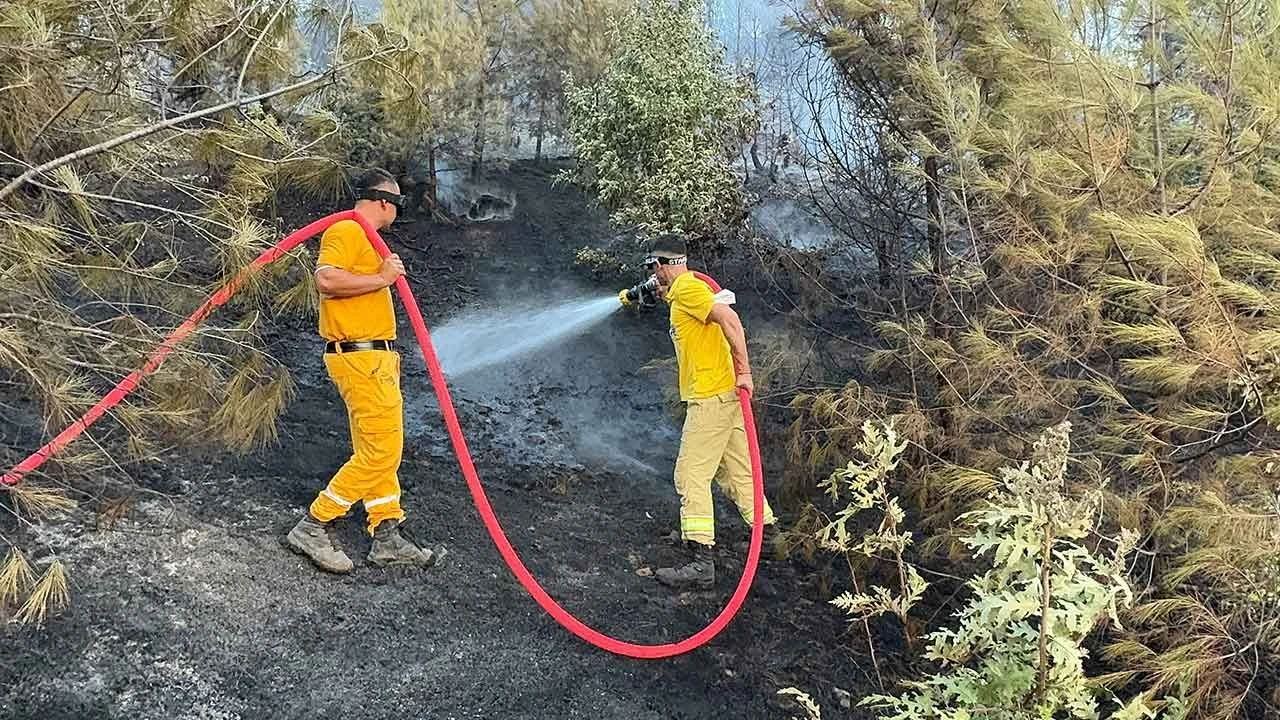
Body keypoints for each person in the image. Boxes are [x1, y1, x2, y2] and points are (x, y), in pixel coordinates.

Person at [285, 168, 435, 573]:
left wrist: (379, 274)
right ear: (385, 201)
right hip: (362, 357)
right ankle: (315, 523)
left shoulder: (366, 238)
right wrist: (382, 277)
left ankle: (386, 533)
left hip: (374, 359)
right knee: (381, 451)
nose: (398, 210)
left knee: (378, 448)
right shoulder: (347, 230)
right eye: (398, 203)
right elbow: (327, 279)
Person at [642, 234, 777, 590]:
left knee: (690, 475)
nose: (652, 274)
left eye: (653, 267)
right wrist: (659, 295)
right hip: (723, 396)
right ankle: (770, 540)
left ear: (662, 264)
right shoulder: (685, 292)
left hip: (711, 398)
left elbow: (729, 319)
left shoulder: (688, 288)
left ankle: (701, 562)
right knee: (738, 473)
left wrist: (745, 371)